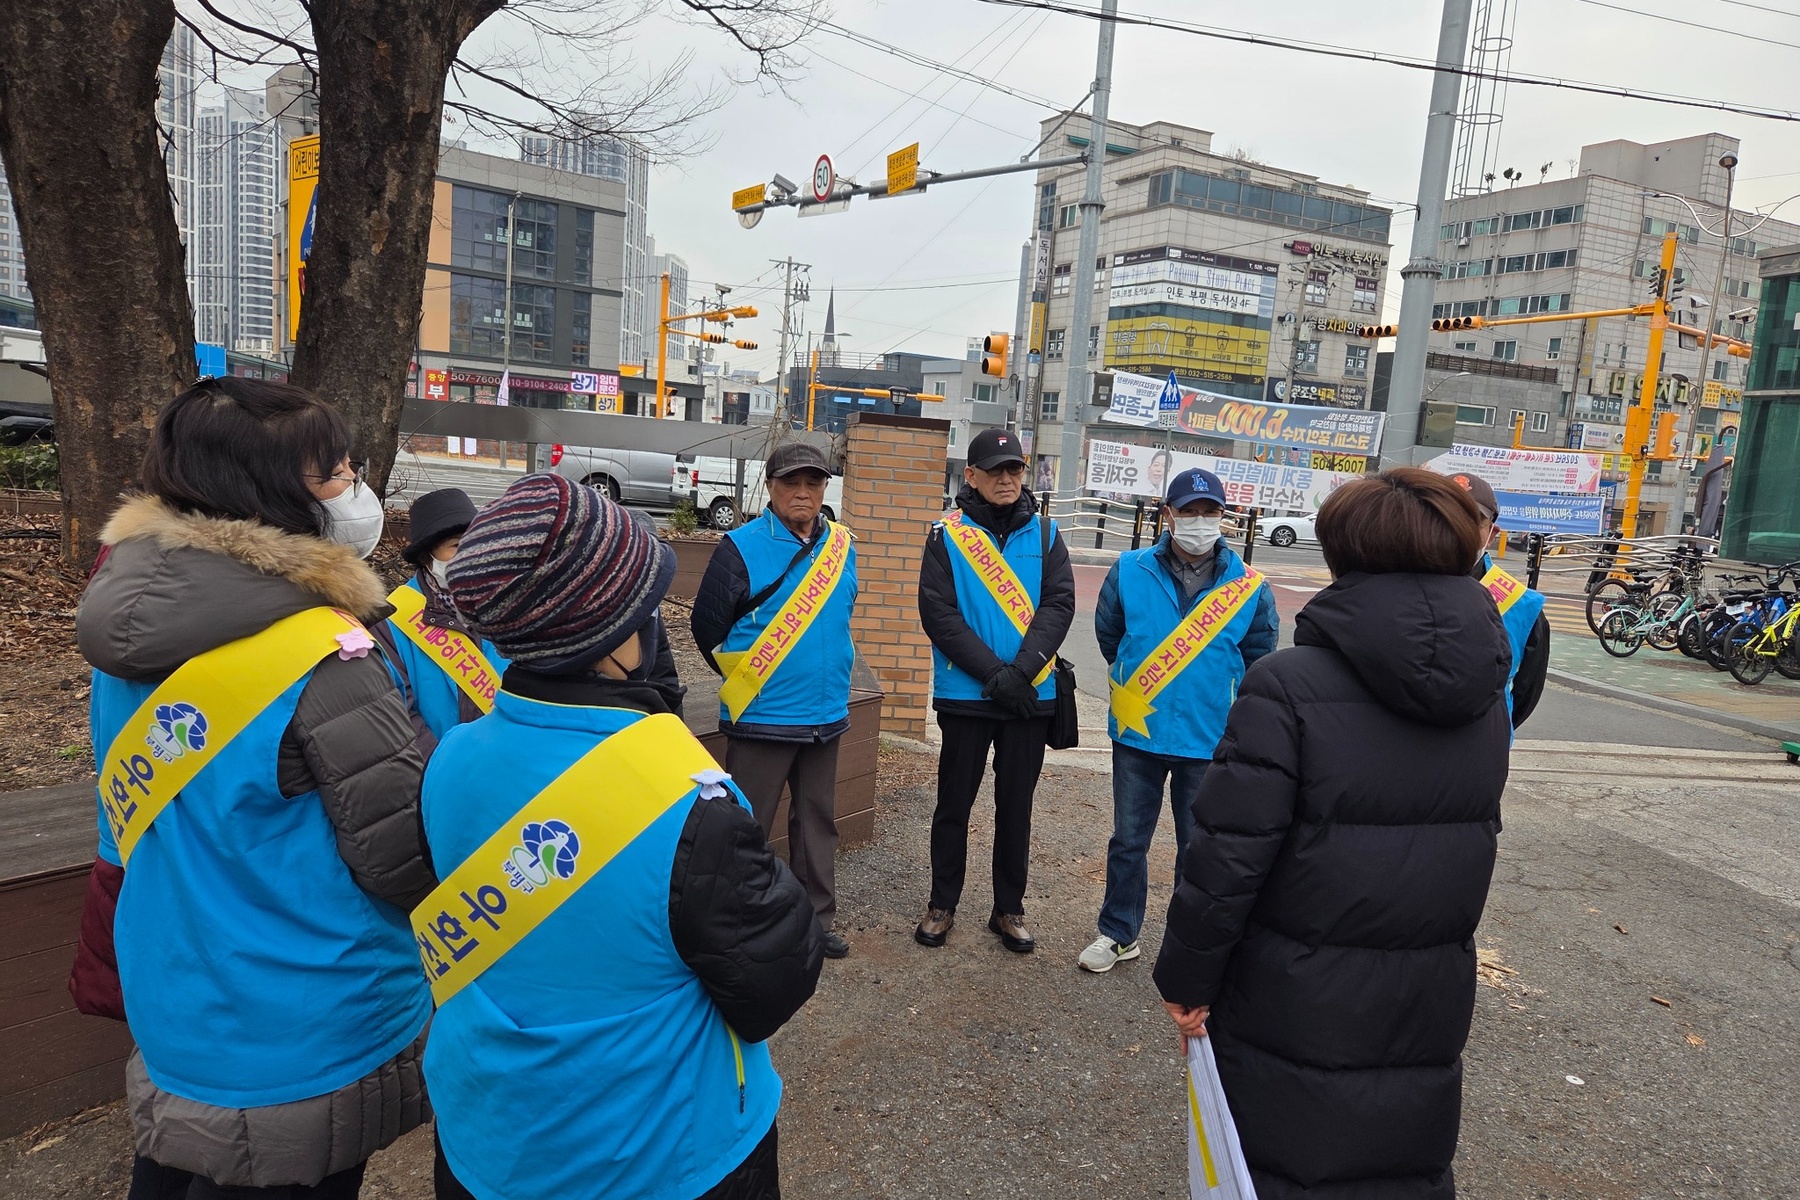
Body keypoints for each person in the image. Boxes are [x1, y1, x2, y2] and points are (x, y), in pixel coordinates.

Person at [76, 377, 435, 1199]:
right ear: (269, 494)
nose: (355, 490)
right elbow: (402, 855)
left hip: (179, 993)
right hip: (308, 1016)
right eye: (336, 473)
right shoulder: (323, 654)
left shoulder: (128, 635)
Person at [424, 472, 823, 1200]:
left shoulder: (449, 759)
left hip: (491, 1142)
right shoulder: (684, 798)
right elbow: (774, 983)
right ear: (606, 636)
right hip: (664, 1157)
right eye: (645, 609)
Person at [1155, 467, 1513, 1200]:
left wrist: (1188, 979)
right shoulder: (1486, 694)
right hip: (1428, 988)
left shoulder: (1287, 687)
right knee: (1399, 1157)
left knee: (1288, 1157)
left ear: (1342, 555)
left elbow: (1227, 857)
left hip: (1294, 988)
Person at [1079, 467, 1278, 974]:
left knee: (1200, 849)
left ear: (1224, 518)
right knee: (1128, 841)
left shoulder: (1249, 586)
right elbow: (1110, 637)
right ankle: (1119, 933)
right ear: (1168, 515)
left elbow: (1258, 658)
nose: (1199, 521)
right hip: (1138, 732)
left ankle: (1190, 944)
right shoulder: (1129, 570)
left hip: (1210, 737)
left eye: (1209, 512)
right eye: (1188, 511)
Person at [690, 441, 857, 959]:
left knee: (816, 823)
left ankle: (815, 919)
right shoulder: (738, 548)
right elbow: (706, 629)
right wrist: (753, 679)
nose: (803, 493)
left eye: (813, 482)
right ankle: (739, 923)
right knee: (748, 825)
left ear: (826, 487)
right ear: (772, 487)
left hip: (825, 713)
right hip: (762, 715)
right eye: (791, 483)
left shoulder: (842, 546)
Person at [914, 428, 1074, 953]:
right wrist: (994, 674)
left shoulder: (1048, 535)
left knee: (1016, 807)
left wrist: (1020, 673)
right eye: (996, 470)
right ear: (972, 477)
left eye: (1015, 469)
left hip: (1028, 697)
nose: (1007, 479)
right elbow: (939, 613)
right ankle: (942, 903)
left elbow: (1058, 606)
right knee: (953, 804)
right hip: (967, 695)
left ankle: (1008, 908)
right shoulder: (945, 535)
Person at [372, 488, 511, 755]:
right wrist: (444, 770)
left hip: (504, 764)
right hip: (436, 769)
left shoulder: (502, 604)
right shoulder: (391, 620)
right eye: (458, 546)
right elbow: (400, 715)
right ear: (427, 558)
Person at [1451, 472, 1549, 728]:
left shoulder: (1522, 605)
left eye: (1471, 520)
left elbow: (1525, 694)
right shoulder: (1391, 584)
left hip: (1481, 750)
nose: (1455, 528)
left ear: (1491, 534)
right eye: (1442, 515)